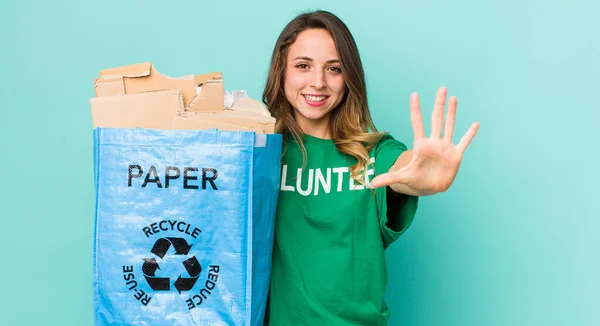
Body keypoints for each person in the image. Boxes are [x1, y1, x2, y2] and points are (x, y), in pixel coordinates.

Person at [261, 10, 479, 325]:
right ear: (282, 72)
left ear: (349, 77)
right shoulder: (258, 151)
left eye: (334, 69)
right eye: (303, 66)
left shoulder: (375, 154)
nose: (318, 82)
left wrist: (421, 175)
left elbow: (404, 169)